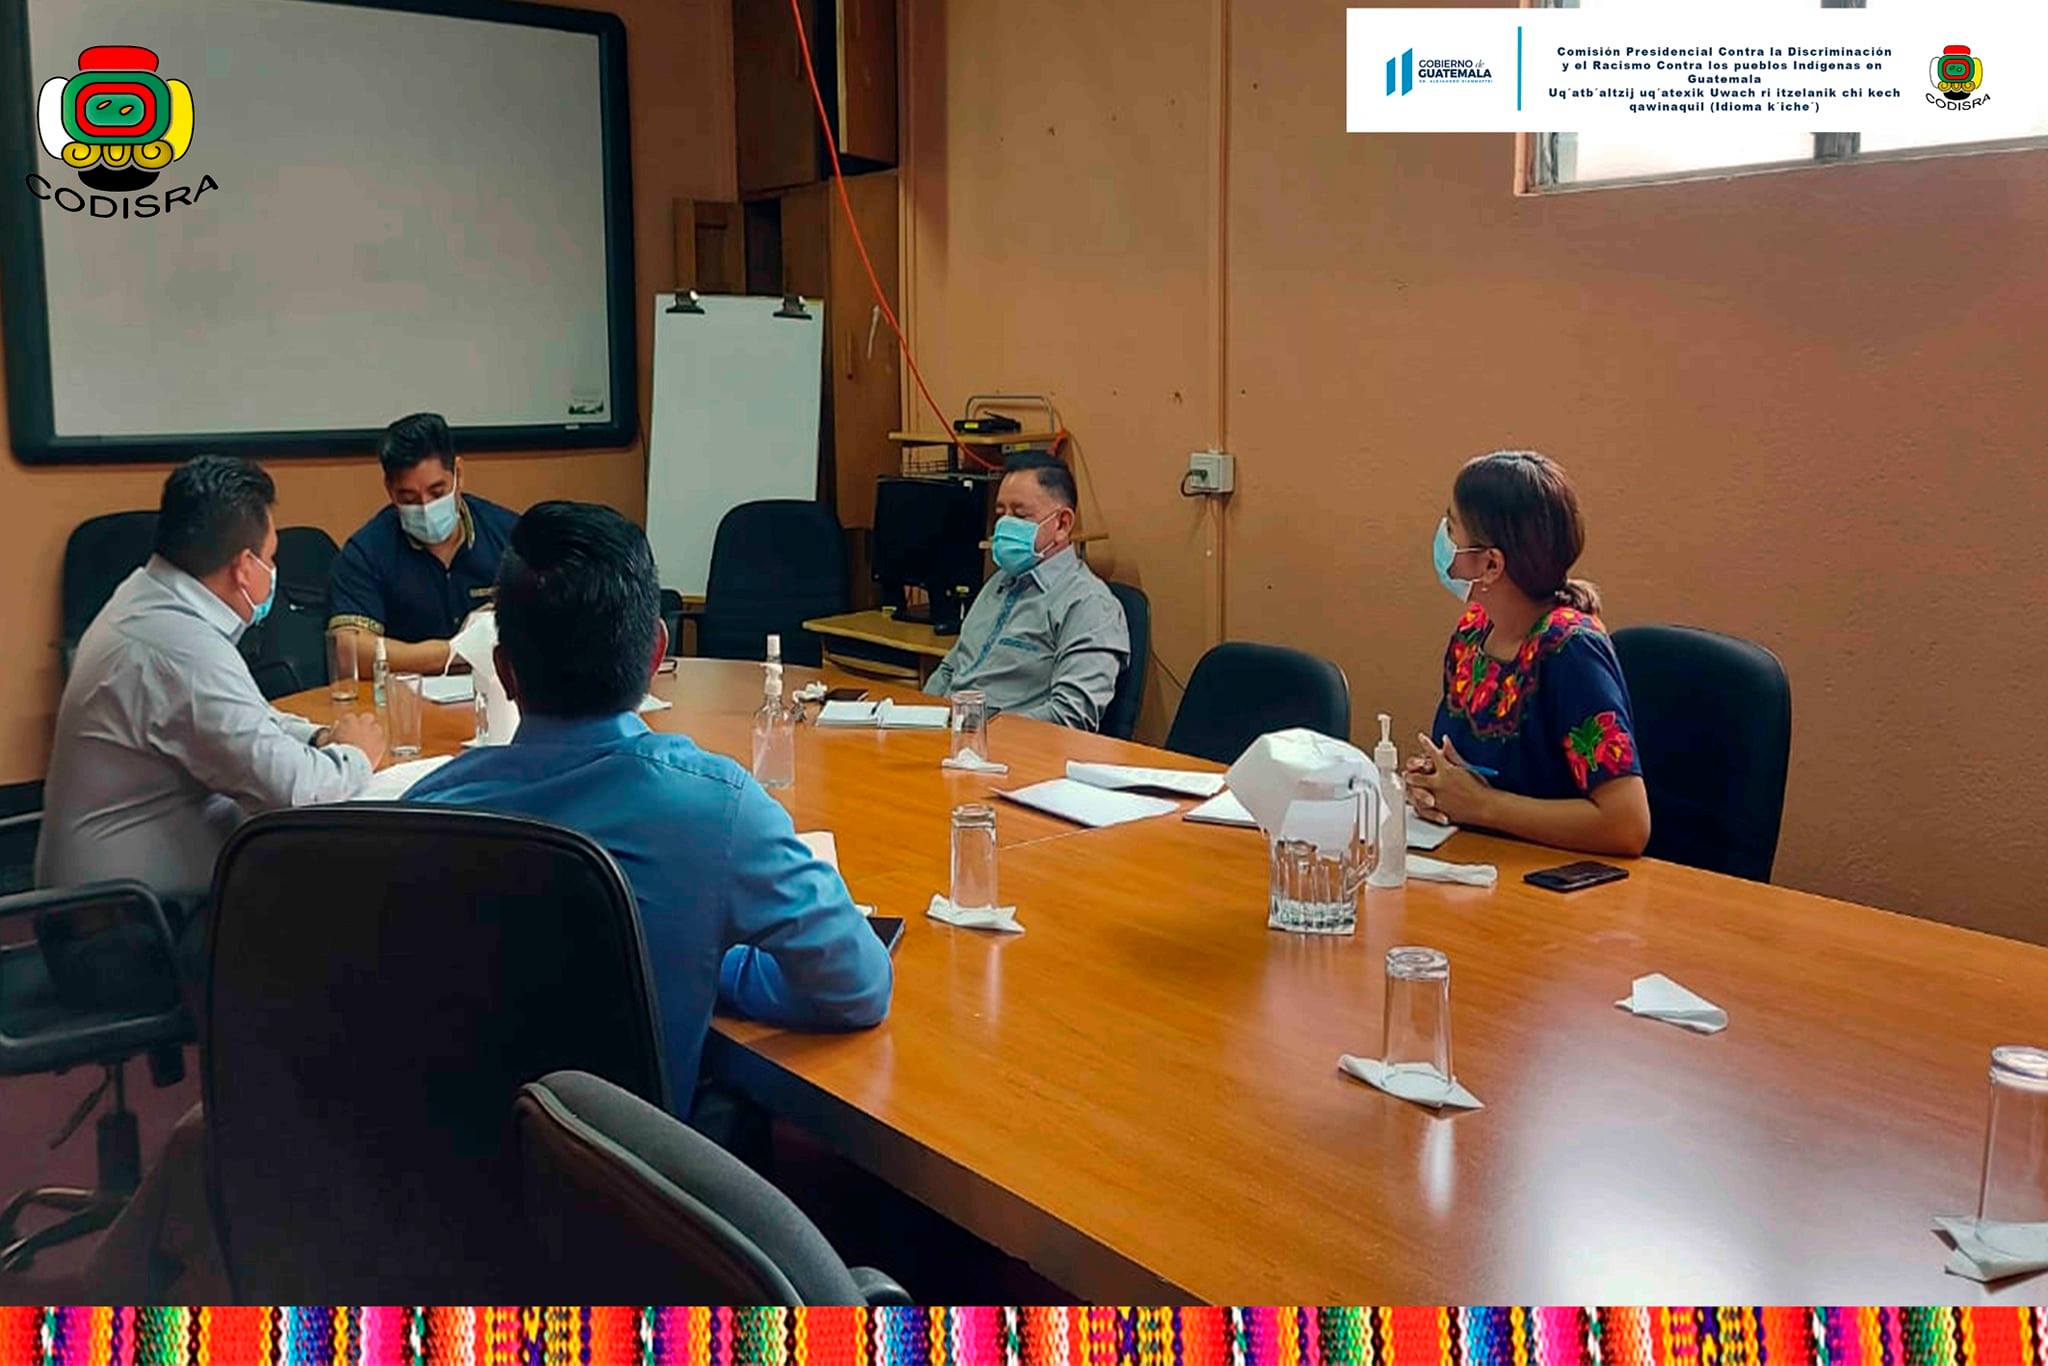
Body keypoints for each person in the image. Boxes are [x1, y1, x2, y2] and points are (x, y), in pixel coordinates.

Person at [403, 501, 891, 1103]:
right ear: (657, 652)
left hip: (453, 1151)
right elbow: (856, 986)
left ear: (504, 671)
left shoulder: (426, 810)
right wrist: (721, 965)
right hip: (628, 1160)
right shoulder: (716, 808)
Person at [38, 456, 386, 906]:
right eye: (271, 557)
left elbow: (246, 716)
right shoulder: (178, 649)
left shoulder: (149, 597)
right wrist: (355, 754)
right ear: (244, 568)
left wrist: (317, 737)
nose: (273, 569)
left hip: (134, 892)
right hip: (135, 922)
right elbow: (297, 792)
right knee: (352, 895)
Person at [1404, 450, 1651, 858]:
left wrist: (1484, 806)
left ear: (1491, 564)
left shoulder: (1571, 651)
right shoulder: (1473, 632)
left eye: (1452, 528)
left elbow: (1627, 825)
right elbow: (1470, 773)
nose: (1443, 540)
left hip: (1555, 881)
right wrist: (1435, 785)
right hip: (1478, 866)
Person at [923, 452, 1129, 730]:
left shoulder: (1089, 604)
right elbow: (951, 669)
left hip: (1008, 744)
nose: (1004, 525)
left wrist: (975, 729)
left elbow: (1070, 715)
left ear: (1062, 524)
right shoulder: (998, 582)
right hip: (949, 736)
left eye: (1020, 515)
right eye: (1000, 514)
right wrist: (917, 720)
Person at [327, 412, 520, 676]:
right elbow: (349, 651)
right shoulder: (366, 552)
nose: (426, 507)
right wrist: (455, 651)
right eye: (409, 498)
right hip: (408, 696)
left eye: (437, 492)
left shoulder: (510, 535)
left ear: (458, 474)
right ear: (389, 489)